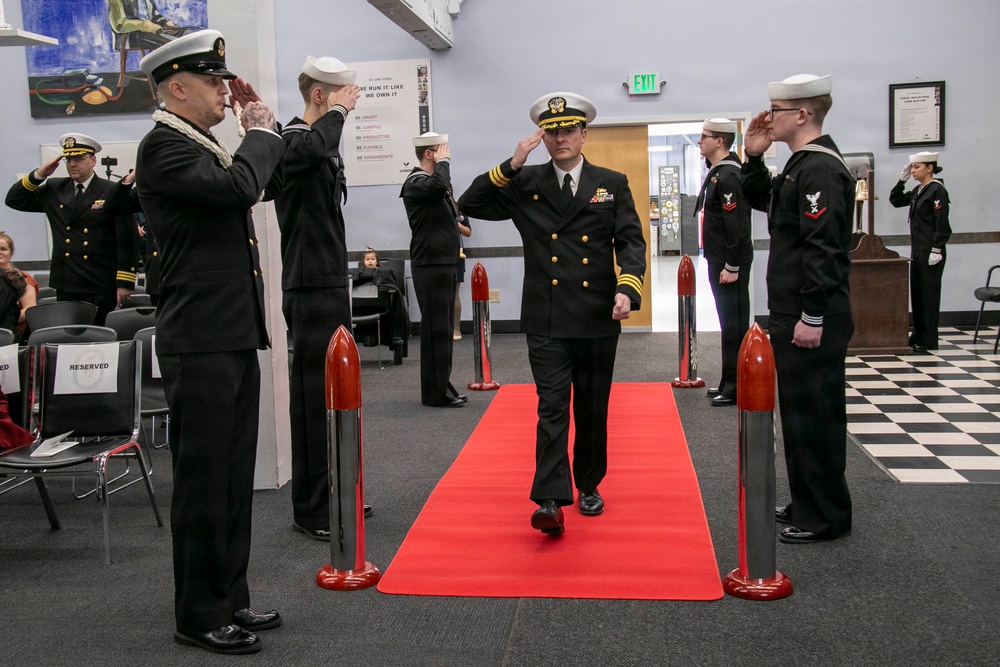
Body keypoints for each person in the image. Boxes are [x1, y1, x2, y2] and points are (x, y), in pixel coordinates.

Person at [134, 29, 285, 655]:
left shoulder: (199, 143)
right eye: (212, 81)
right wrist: (261, 133)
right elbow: (238, 189)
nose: (225, 91)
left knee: (231, 475)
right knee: (203, 482)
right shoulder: (163, 147)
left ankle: (230, 596)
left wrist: (264, 132)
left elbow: (255, 183)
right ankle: (198, 614)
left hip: (226, 333)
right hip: (199, 339)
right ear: (177, 88)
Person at [457, 92, 646, 535]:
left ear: (584, 134)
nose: (561, 138)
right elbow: (471, 203)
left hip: (597, 315)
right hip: (547, 315)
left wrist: (627, 288)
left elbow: (631, 242)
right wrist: (511, 164)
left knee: (592, 408)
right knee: (552, 407)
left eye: (569, 130)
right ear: (542, 138)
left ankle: (589, 484)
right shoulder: (526, 182)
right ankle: (549, 498)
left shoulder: (611, 182)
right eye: (552, 132)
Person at [741, 74, 854, 545]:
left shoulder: (820, 169)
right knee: (800, 415)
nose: (769, 118)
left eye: (777, 110)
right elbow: (763, 201)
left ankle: (825, 515)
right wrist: (753, 157)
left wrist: (813, 316)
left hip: (812, 314)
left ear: (803, 114)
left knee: (817, 417)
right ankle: (808, 501)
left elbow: (823, 248)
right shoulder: (800, 165)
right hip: (796, 311)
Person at [272, 55, 373, 542]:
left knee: (338, 393)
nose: (350, 102)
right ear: (319, 94)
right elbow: (309, 147)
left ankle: (338, 492)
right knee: (314, 400)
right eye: (341, 94)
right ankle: (312, 506)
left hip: (328, 280)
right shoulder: (294, 140)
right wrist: (339, 112)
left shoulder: (316, 144)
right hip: (309, 285)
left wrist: (335, 116)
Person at [5, 133, 139, 325]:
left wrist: (125, 282)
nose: (72, 164)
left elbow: (127, 239)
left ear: (93, 161)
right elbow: (14, 200)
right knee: (68, 335)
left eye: (78, 158)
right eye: (68, 159)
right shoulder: (54, 188)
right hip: (67, 281)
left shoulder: (112, 190)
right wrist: (40, 174)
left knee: (100, 334)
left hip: (101, 282)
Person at [402, 132, 466, 408]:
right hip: (431, 265)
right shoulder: (415, 182)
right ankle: (435, 393)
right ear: (429, 154)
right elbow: (439, 185)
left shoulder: (430, 183)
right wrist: (444, 163)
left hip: (443, 263)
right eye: (441, 151)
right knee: (435, 331)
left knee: (443, 329)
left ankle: (442, 386)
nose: (447, 154)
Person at [696, 118, 752, 407]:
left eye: (704, 136)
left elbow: (737, 226)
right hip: (720, 259)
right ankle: (728, 380)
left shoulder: (729, 175)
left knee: (734, 325)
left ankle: (737, 386)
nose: (699, 141)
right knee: (728, 323)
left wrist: (732, 266)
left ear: (719, 141)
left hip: (730, 263)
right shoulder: (719, 173)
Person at [889, 151, 951, 352]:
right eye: (912, 168)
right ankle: (918, 334)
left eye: (916, 167)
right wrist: (902, 180)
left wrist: (937, 248)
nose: (913, 171)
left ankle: (929, 338)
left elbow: (941, 223)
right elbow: (896, 200)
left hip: (931, 250)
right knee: (917, 295)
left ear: (929, 168)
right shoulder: (919, 190)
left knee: (929, 296)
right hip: (917, 249)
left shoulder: (937, 191)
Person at [108, 0, 197, 50]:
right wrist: (144, 25)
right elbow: (119, 25)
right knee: (174, 43)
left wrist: (166, 23)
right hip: (131, 36)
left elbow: (155, 16)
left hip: (153, 32)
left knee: (188, 34)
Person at [0, 232, 38, 337]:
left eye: (3, 249)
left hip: (12, 331)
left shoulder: (23, 279)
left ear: (11, 253)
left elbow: (29, 311)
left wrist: (6, 318)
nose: (0, 252)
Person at [453, 215, 472, 340]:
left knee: (455, 294)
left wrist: (458, 224)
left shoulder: (460, 211)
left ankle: (456, 328)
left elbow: (468, 232)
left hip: (457, 255)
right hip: (439, 254)